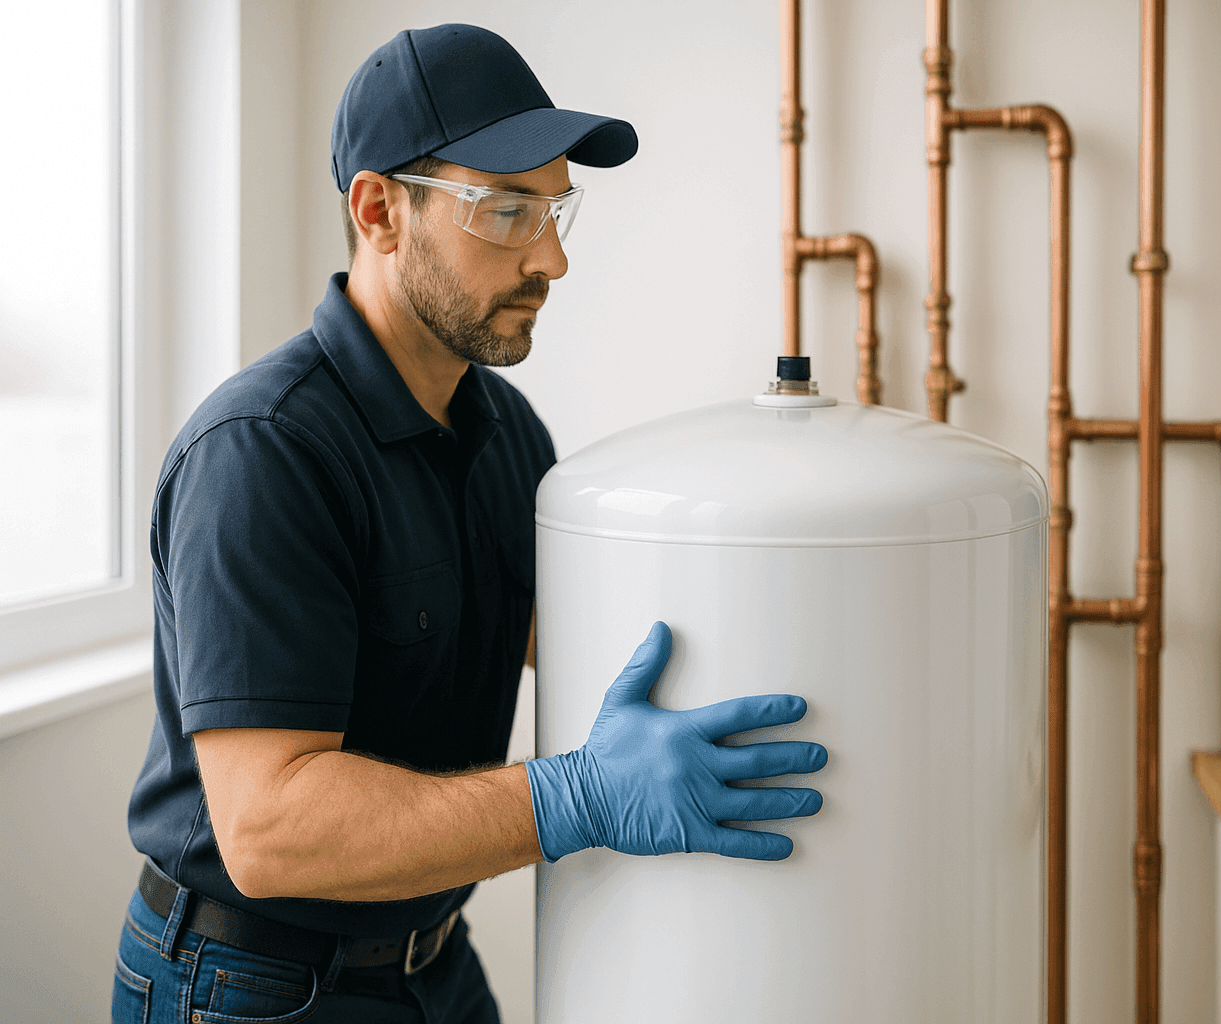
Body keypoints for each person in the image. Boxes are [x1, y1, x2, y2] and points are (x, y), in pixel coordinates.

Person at [112, 24, 827, 1024]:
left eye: (556, 208)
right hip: (254, 981)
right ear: (379, 212)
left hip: (430, 959)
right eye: (505, 211)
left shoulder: (500, 427)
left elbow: (580, 639)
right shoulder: (263, 453)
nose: (553, 258)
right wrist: (575, 798)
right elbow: (268, 825)